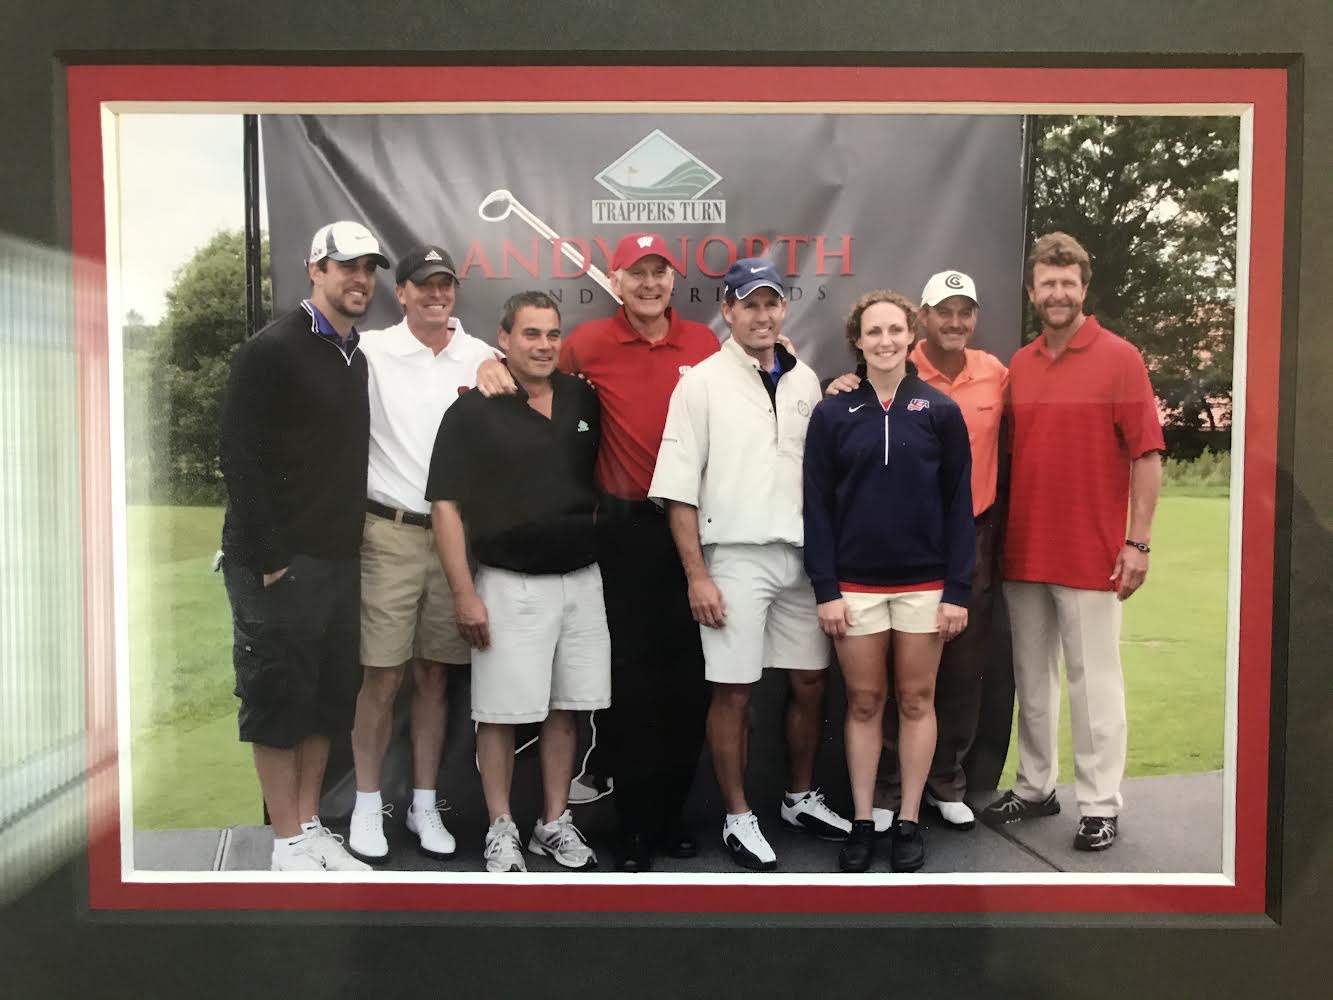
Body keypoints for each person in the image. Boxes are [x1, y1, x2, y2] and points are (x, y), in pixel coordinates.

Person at [475, 233, 719, 872]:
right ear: (616, 279)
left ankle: (670, 820)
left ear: (673, 280)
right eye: (636, 274)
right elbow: (531, 374)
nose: (648, 284)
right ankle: (632, 826)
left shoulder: (704, 343)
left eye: (659, 274)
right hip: (623, 527)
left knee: (689, 684)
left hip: (697, 526)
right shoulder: (585, 342)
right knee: (632, 685)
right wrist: (486, 367)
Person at [649, 258, 850, 871]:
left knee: (811, 681)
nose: (762, 315)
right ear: (728, 311)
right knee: (733, 690)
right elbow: (679, 490)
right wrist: (697, 576)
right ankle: (740, 817)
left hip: (799, 554)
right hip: (732, 556)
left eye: (772, 303)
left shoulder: (805, 380)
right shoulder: (701, 382)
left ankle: (797, 797)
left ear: (782, 310)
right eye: (749, 304)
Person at [980, 232, 1164, 852]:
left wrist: (1137, 543)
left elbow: (1147, 453)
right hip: (1024, 550)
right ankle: (1035, 787)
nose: (1057, 293)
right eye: (1046, 283)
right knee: (1032, 680)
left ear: (1084, 289)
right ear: (1032, 291)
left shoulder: (1120, 357)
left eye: (1068, 283)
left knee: (1094, 683)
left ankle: (1100, 803)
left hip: (1090, 554)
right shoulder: (1021, 364)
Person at [218, 220, 389, 872]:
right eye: (346, 266)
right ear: (314, 268)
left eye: (368, 269)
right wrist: (268, 558)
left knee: (325, 700)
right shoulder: (271, 350)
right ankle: (286, 840)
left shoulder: (354, 354)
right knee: (277, 701)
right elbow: (238, 457)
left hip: (338, 560)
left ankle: (311, 825)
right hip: (279, 563)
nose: (360, 280)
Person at [427, 291, 608, 873]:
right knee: (500, 713)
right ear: (503, 339)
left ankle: (553, 824)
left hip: (581, 580)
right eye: (530, 334)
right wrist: (464, 593)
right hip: (508, 583)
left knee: (566, 707)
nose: (543, 345)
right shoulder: (473, 409)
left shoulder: (583, 397)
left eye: (552, 334)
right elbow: (446, 507)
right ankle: (501, 826)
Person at [803, 290, 975, 873]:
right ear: (858, 341)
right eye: (873, 332)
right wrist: (825, 589)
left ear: (911, 336)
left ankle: (905, 821)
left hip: (926, 586)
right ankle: (861, 821)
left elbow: (959, 507)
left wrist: (957, 591)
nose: (885, 341)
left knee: (916, 698)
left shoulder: (940, 411)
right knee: (865, 700)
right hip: (853, 587)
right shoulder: (832, 414)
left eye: (895, 331)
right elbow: (817, 508)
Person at [346, 245, 499, 864]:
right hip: (389, 531)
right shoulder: (372, 351)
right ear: (401, 293)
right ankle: (364, 804)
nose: (438, 295)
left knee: (436, 674)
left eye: (446, 285)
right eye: (424, 286)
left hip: (457, 535)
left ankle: (424, 803)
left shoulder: (485, 356)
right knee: (382, 675)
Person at [874, 271, 1009, 833]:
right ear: (922, 318)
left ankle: (946, 780)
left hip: (971, 534)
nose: (955, 322)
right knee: (893, 669)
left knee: (964, 664)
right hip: (903, 539)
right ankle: (886, 786)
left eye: (965, 312)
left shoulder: (995, 374)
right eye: (943, 311)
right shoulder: (895, 372)